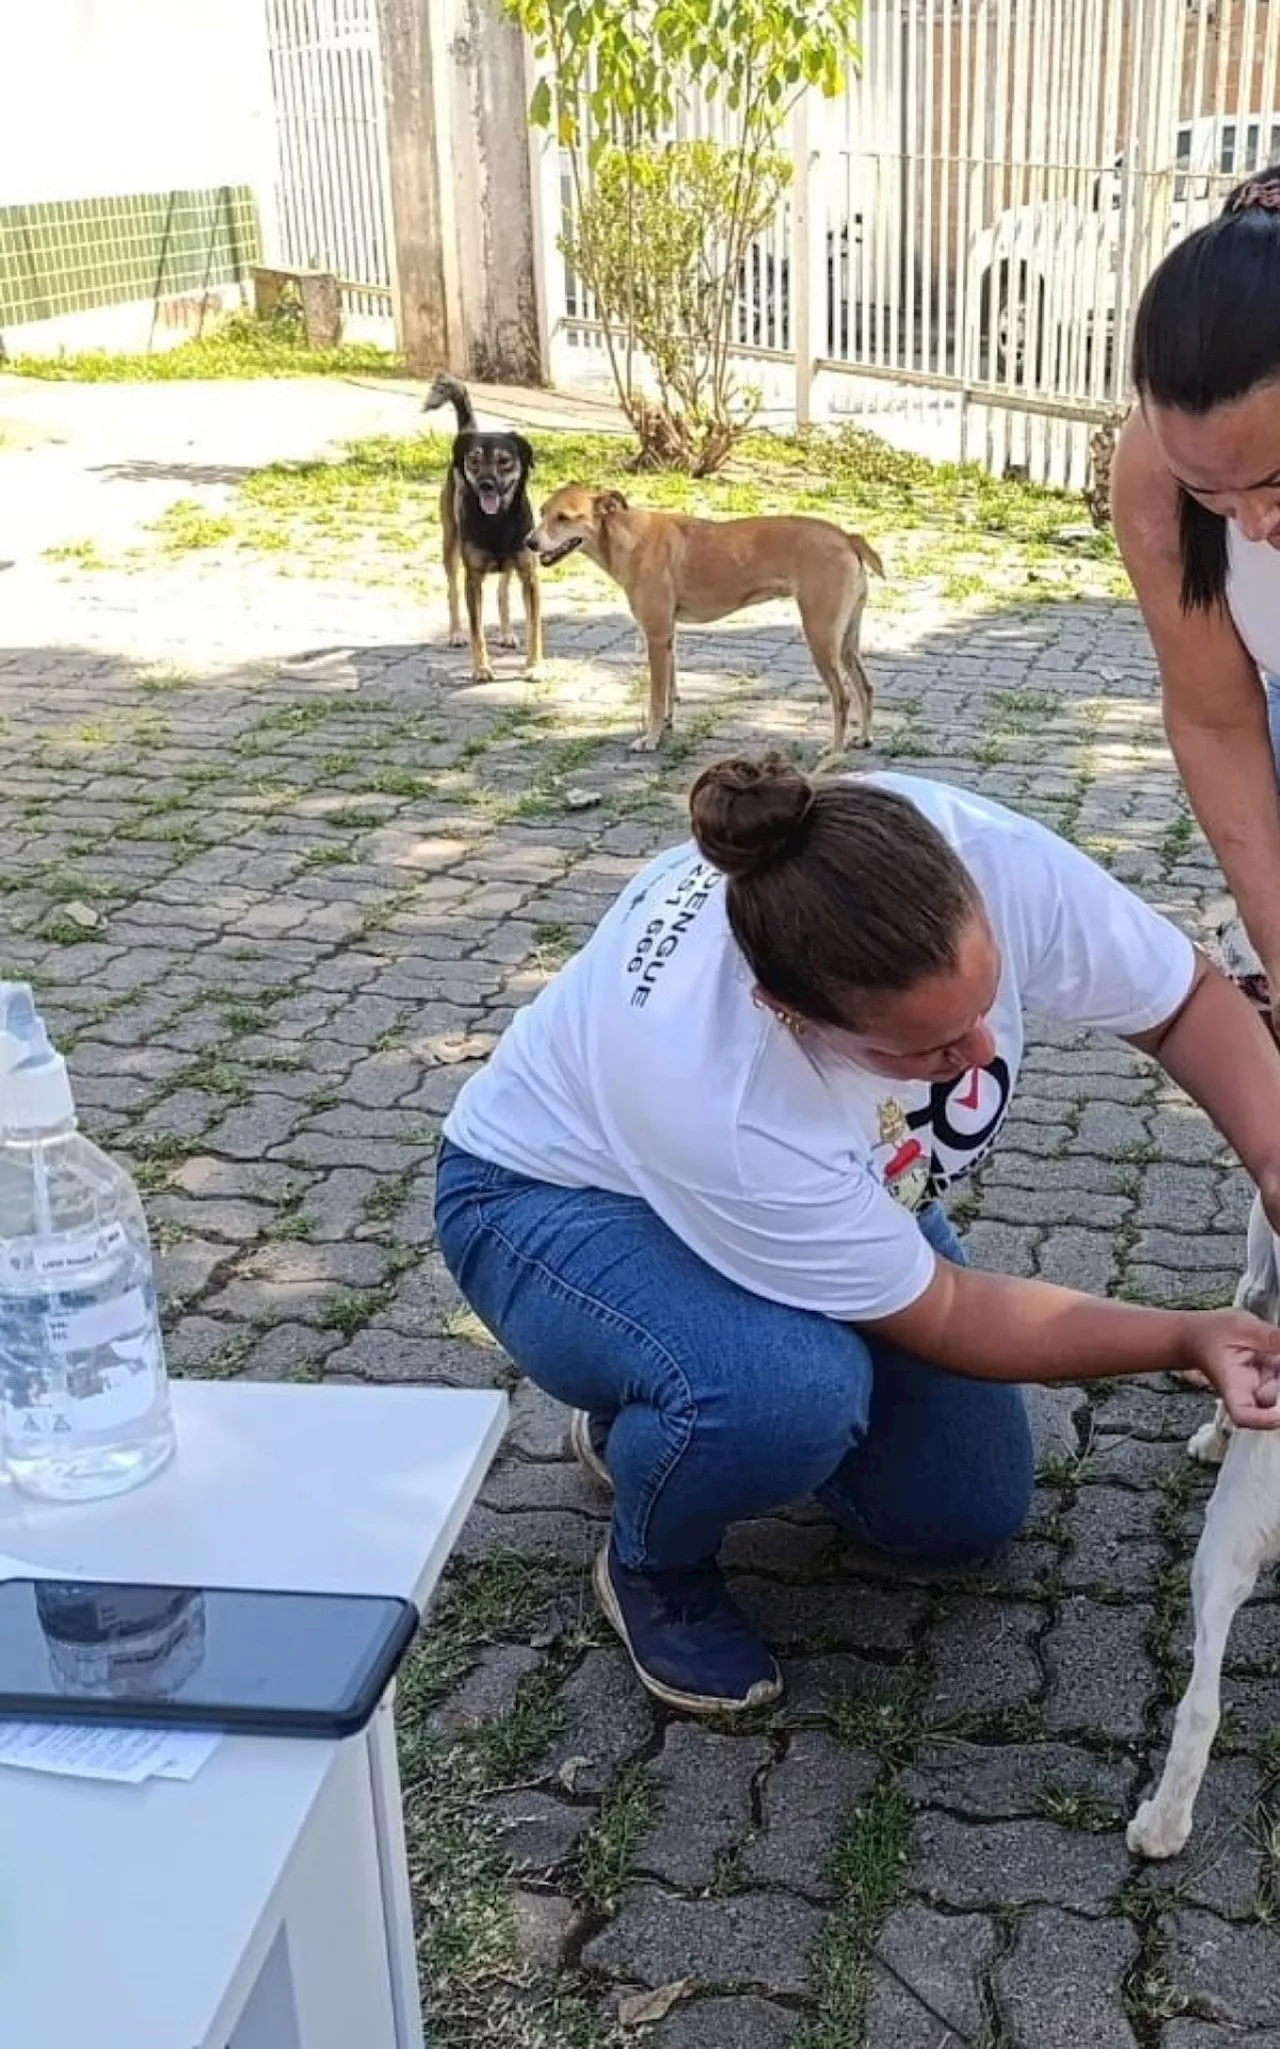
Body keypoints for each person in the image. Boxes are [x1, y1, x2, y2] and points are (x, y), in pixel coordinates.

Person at [434, 754, 1280, 1716]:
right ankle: (654, 1548)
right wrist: (1184, 1334)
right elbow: (953, 1311)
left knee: (960, 1511)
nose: (982, 1053)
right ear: (789, 1013)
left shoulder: (970, 855)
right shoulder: (722, 1092)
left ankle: (676, 1379)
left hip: (826, 1190)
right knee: (786, 1393)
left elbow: (1180, 1004)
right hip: (552, 1202)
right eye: (925, 1047)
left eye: (986, 998)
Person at [1114, 163, 1280, 1034]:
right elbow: (1217, 720)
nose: (1251, 526)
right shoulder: (1154, 469)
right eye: (1212, 492)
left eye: (1277, 482)